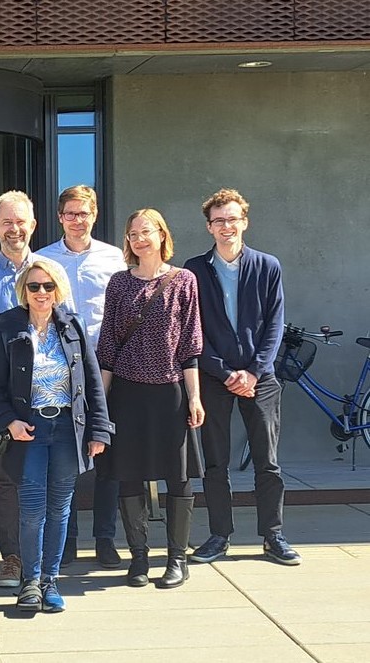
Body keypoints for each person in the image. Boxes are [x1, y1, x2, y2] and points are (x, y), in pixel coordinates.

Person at [0, 258, 112, 612]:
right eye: (34, 286)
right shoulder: (9, 327)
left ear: (59, 290)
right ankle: (30, 582)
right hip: (30, 431)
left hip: (69, 429)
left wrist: (99, 429)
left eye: (48, 286)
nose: (41, 293)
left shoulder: (72, 326)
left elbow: (91, 384)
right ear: (24, 290)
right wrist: (9, 421)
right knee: (32, 510)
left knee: (60, 509)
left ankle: (50, 581)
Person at [184, 189, 300, 566]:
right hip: (214, 377)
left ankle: (273, 536)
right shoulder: (194, 270)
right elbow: (193, 330)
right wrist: (223, 370)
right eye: (219, 220)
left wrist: (252, 371)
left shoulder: (268, 266)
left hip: (260, 377)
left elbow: (275, 324)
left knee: (267, 461)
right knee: (215, 463)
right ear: (209, 227)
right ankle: (219, 535)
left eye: (233, 219)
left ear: (244, 221)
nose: (226, 226)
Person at [97, 208, 204, 590]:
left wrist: (194, 397)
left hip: (170, 392)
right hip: (126, 392)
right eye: (133, 233)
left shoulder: (183, 281)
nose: (139, 239)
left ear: (162, 235)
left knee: (178, 475)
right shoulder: (119, 284)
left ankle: (177, 559)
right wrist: (101, 402)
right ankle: (139, 557)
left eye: (147, 231)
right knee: (128, 475)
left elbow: (191, 345)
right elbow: (108, 345)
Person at [0, 190, 56, 589]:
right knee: (4, 478)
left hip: (50, 398)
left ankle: (46, 558)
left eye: (21, 221)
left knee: (47, 478)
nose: (14, 229)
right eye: (6, 221)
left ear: (33, 225)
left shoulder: (50, 272)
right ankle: (11, 557)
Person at [36, 185, 127, 568]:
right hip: (60, 374)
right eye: (70, 213)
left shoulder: (114, 259)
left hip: (107, 371)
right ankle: (67, 538)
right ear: (60, 218)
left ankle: (105, 538)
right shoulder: (42, 259)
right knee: (64, 458)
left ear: (95, 215)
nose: (77, 220)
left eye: (84, 213)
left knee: (109, 460)